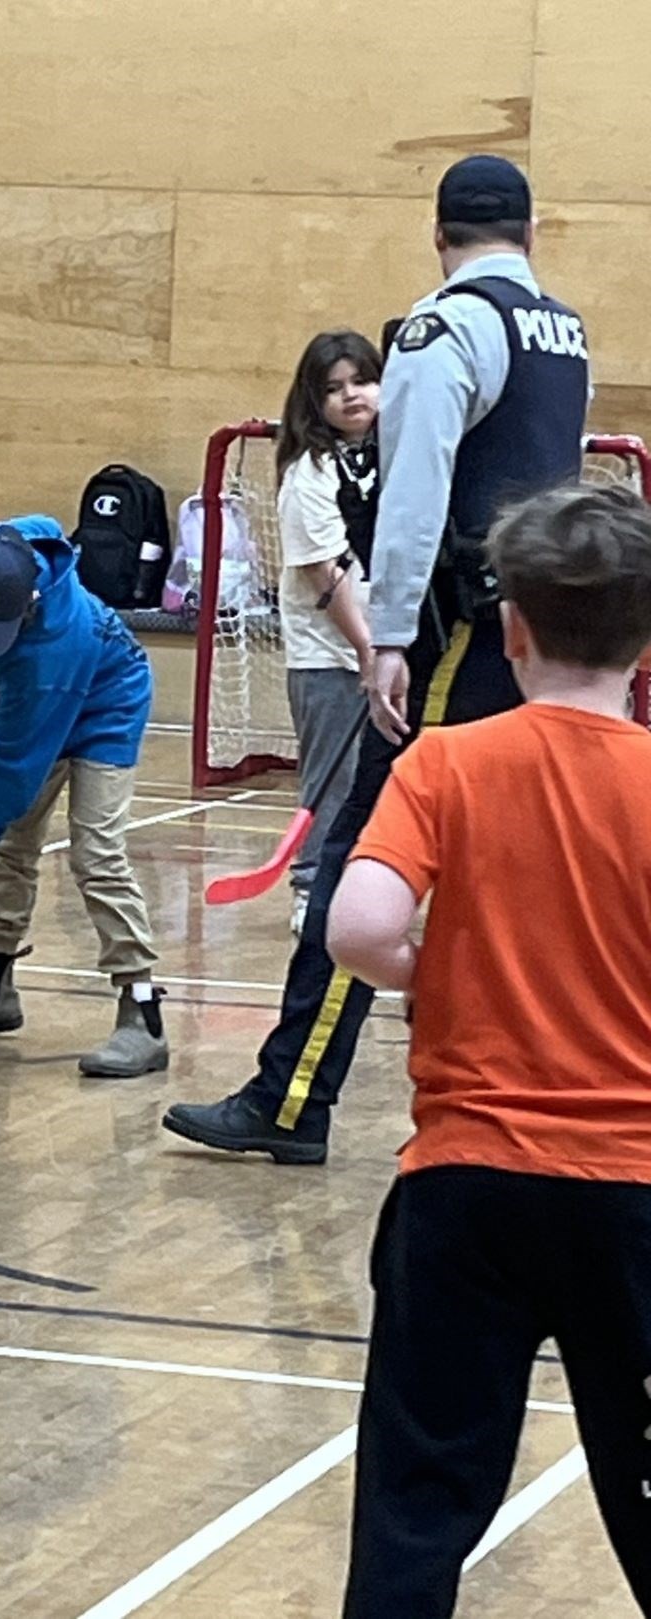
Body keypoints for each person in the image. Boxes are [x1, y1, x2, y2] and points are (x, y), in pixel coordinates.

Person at [163, 153, 591, 1164]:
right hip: (549, 640)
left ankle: (291, 1097)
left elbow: (414, 496)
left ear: (438, 237)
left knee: (370, 858)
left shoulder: (443, 328)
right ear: (532, 237)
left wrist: (389, 635)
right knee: (531, 875)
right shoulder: (563, 331)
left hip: (462, 634)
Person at [327, 483, 651, 1616]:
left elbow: (360, 928)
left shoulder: (446, 764)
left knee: (417, 1512)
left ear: (510, 628)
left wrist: (446, 968)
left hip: (465, 1192)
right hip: (634, 1198)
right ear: (644, 640)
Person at [0, 517, 167, 1077]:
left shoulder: (51, 647)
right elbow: (41, 525)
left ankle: (142, 1016)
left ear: (28, 603)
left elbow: (13, 758)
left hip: (107, 705)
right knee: (12, 844)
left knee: (97, 856)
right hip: (30, 706)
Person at [275, 330, 380, 934]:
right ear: (313, 402)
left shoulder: (401, 456)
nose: (351, 396)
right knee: (332, 777)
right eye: (333, 388)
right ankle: (312, 885)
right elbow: (324, 568)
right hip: (329, 654)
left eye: (362, 381)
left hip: (392, 648)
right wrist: (365, 647)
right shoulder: (309, 472)